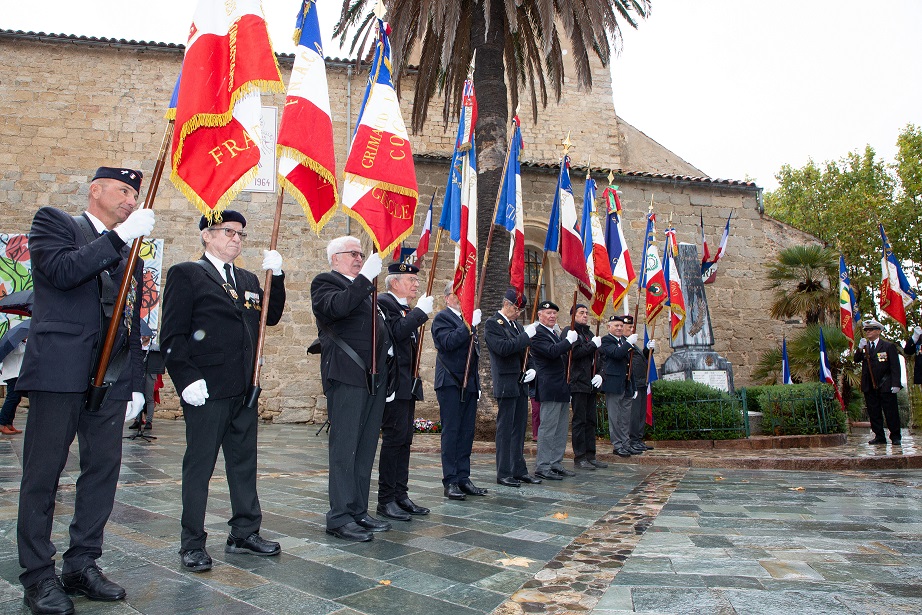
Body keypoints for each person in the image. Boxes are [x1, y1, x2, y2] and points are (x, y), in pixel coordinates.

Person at [16, 166, 154, 614]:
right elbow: (62, 272)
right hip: (60, 374)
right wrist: (118, 239)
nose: (130, 200)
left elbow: (129, 318)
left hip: (109, 378)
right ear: (95, 191)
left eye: (135, 194)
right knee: (43, 477)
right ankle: (38, 576)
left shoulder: (128, 248)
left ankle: (82, 563)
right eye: (122, 190)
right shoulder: (56, 223)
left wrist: (135, 384)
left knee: (102, 473)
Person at [160, 210, 286, 572]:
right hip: (206, 388)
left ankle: (244, 532)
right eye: (228, 232)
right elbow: (172, 335)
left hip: (244, 388)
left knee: (244, 463)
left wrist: (276, 277)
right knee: (200, 466)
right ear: (206, 236)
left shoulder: (247, 278)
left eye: (240, 234)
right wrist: (186, 379)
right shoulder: (188, 274)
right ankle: (192, 542)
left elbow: (271, 316)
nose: (235, 239)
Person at [311, 236, 392, 542]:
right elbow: (336, 308)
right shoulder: (325, 283)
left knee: (365, 445)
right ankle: (339, 517)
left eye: (361, 254)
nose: (359, 258)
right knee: (345, 448)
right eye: (353, 254)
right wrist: (366, 280)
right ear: (335, 258)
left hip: (372, 377)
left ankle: (358, 509)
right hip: (346, 375)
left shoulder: (366, 290)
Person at [375, 262, 433, 521]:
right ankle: (386, 500)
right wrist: (420, 312)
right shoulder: (385, 302)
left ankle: (401, 494)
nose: (416, 284)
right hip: (392, 387)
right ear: (394, 282)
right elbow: (398, 333)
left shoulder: (403, 308)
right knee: (394, 440)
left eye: (416, 280)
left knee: (405, 440)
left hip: (406, 385)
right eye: (411, 279)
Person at [431, 281, 485, 500]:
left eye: (464, 292)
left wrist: (477, 384)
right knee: (452, 432)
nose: (461, 297)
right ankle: (450, 480)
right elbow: (447, 342)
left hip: (468, 384)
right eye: (457, 293)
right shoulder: (442, 318)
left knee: (466, 432)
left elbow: (474, 357)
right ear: (447, 298)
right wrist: (468, 326)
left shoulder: (468, 319)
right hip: (450, 382)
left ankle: (464, 477)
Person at [484, 288, 541, 487]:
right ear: (506, 305)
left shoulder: (516, 326)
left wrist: (532, 369)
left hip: (520, 383)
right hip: (506, 382)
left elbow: (527, 353)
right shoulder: (493, 324)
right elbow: (504, 348)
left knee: (519, 429)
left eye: (520, 311)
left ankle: (519, 469)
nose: (519, 314)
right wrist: (527, 336)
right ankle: (504, 472)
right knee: (505, 429)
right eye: (517, 310)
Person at [530, 301, 578, 480]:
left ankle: (556, 463)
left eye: (554, 313)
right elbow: (551, 352)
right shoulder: (537, 333)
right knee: (548, 428)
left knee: (561, 428)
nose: (552, 316)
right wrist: (568, 341)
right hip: (549, 385)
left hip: (562, 386)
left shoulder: (554, 333)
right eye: (548, 313)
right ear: (540, 315)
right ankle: (543, 466)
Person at [561, 304, 605, 470]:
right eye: (581, 313)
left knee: (591, 420)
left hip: (591, 383)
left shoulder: (589, 333)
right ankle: (580, 457)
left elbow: (601, 357)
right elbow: (575, 353)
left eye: (586, 313)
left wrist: (601, 374)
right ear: (573, 315)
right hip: (578, 382)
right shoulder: (570, 331)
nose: (585, 315)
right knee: (579, 421)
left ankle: (590, 454)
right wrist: (593, 345)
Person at [854, 318, 902, 445]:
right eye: (866, 330)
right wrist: (859, 348)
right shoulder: (865, 347)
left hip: (886, 385)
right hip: (869, 385)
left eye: (871, 330)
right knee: (874, 412)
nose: (868, 332)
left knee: (890, 412)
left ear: (879, 331)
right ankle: (879, 436)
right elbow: (856, 359)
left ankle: (895, 436)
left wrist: (896, 383)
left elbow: (895, 366)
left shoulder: (888, 346)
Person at [598, 315, 636, 458]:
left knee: (625, 417)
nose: (619, 328)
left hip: (626, 384)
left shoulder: (624, 341)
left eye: (621, 326)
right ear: (609, 327)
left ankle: (626, 443)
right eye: (616, 326)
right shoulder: (607, 340)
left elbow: (629, 364)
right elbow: (616, 354)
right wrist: (628, 344)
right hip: (613, 384)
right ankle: (617, 445)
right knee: (615, 417)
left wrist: (633, 386)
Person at [624, 316, 654, 455]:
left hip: (641, 382)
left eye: (632, 327)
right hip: (633, 384)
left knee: (641, 413)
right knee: (634, 414)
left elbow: (640, 359)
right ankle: (632, 440)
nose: (631, 330)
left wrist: (647, 350)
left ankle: (638, 439)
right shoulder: (624, 344)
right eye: (629, 327)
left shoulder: (633, 344)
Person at [128, 332, 158, 431]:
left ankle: (149, 421)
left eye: (146, 334)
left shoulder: (155, 347)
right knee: (137, 396)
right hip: (138, 375)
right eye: (142, 334)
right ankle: (137, 420)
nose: (144, 336)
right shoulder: (137, 347)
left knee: (149, 398)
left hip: (150, 373)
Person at [0, 338, 26, 434]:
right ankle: (1, 423)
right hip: (12, 375)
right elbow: (21, 351)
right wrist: (24, 342)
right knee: (11, 398)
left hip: (16, 374)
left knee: (16, 398)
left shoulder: (18, 343)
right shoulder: (13, 344)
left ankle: (8, 423)